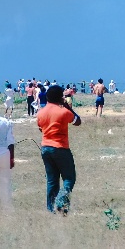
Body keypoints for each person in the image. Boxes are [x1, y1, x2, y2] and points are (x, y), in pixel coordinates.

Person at [37, 85, 81, 215]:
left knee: (52, 180)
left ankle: (51, 209)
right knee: (69, 178)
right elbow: (77, 121)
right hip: (61, 147)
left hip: (45, 147)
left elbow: (41, 128)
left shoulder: (41, 113)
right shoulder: (63, 112)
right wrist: (67, 107)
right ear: (60, 97)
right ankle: (61, 203)